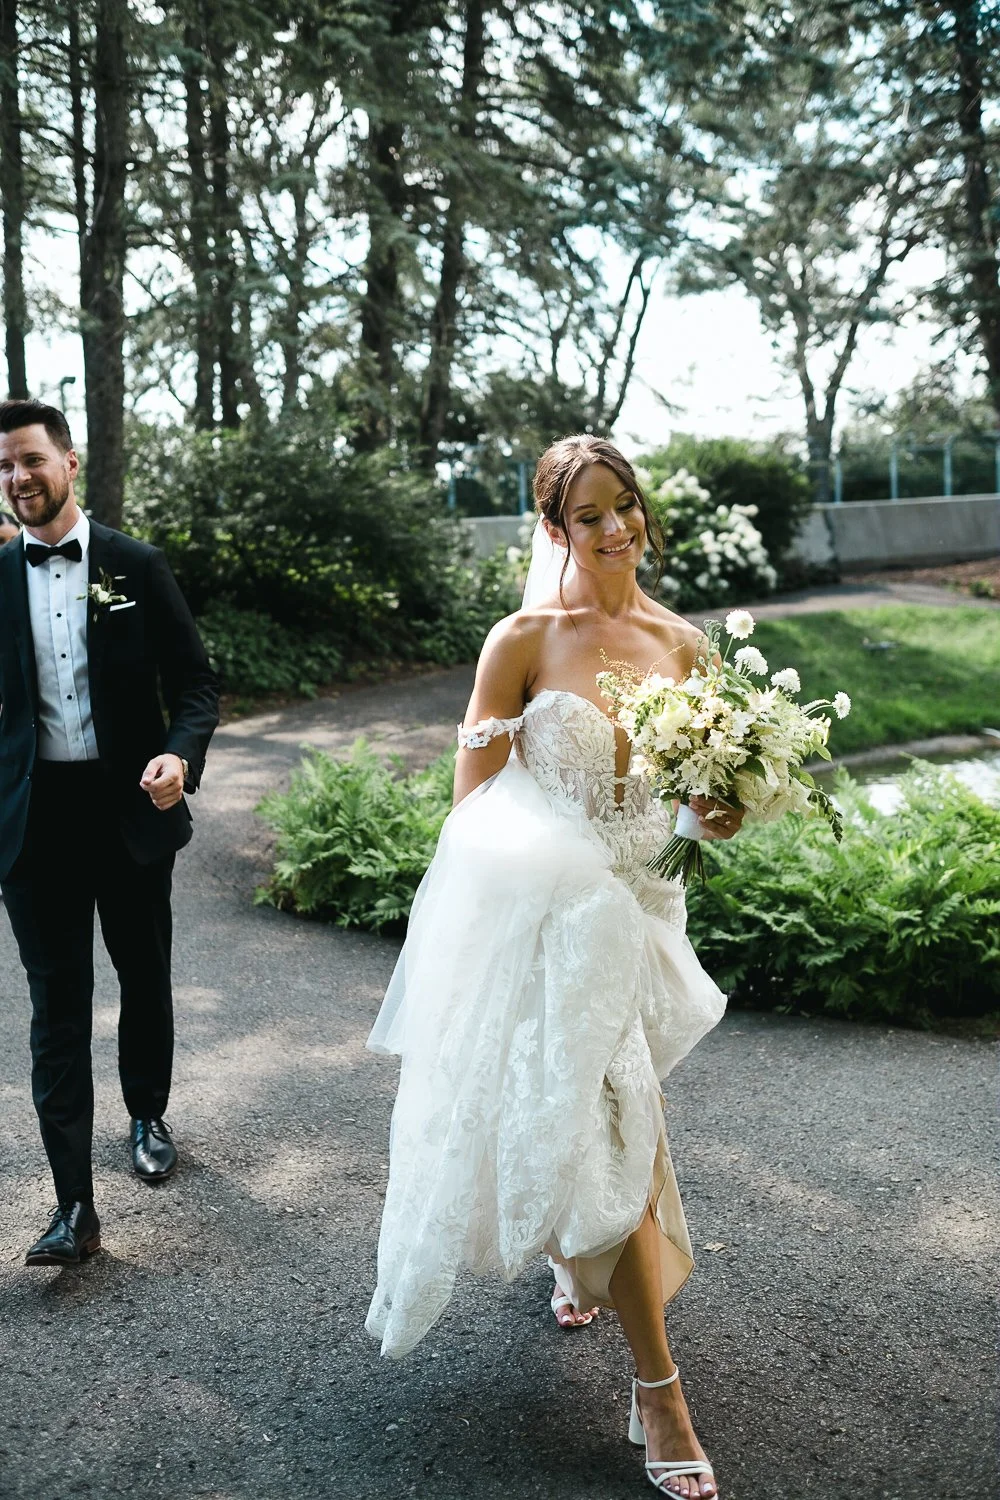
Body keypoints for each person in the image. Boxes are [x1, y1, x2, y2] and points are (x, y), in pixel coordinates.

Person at [366, 435, 743, 1499]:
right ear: (554, 529)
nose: (614, 527)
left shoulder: (686, 645)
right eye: (588, 515)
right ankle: (658, 1390)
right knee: (619, 1126)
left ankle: (584, 1267)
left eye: (623, 504)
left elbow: (699, 813)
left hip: (645, 916)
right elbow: (469, 806)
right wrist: (534, 888)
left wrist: (715, 813)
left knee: (601, 1127)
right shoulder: (521, 639)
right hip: (551, 926)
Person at [0, 399, 219, 1267]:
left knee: (143, 974)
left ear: (69, 462)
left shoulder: (135, 564)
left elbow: (197, 682)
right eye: (3, 468)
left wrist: (178, 757)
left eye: (30, 461)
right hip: (33, 826)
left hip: (129, 811)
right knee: (54, 1010)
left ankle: (147, 1111)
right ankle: (73, 1206)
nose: (18, 479)